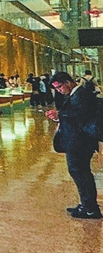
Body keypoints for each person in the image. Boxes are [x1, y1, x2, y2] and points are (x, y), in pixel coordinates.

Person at [47, 71, 100, 219]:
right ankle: (86, 204)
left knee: (80, 173)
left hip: (80, 143)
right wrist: (59, 118)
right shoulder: (76, 94)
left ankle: (90, 208)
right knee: (79, 173)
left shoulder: (81, 95)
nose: (59, 91)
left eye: (59, 87)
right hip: (76, 142)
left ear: (68, 82)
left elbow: (81, 116)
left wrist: (60, 115)